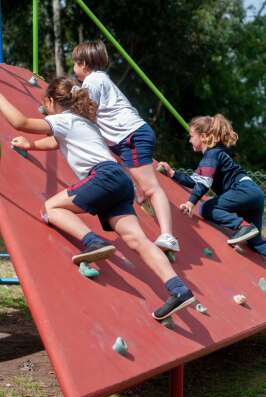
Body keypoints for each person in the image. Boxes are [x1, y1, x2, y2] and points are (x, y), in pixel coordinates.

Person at [0, 77, 195, 320]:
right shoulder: (83, 122)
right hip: (120, 182)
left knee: (51, 207)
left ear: (50, 101)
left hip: (103, 177)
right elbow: (55, 141)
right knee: (138, 240)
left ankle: (94, 241)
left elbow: (19, 121)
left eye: (44, 105)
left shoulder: (63, 119)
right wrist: (30, 146)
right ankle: (178, 289)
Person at [71, 39, 179, 255]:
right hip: (125, 137)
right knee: (134, 178)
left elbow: (85, 113)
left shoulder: (93, 80)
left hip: (131, 135)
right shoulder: (99, 80)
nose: (73, 67)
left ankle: (168, 235)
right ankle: (139, 192)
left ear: (83, 64)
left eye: (75, 63)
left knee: (150, 187)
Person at [157, 114, 266, 256]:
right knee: (256, 242)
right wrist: (172, 173)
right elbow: (195, 181)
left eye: (191, 136)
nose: (190, 140)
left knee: (207, 208)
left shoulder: (211, 155)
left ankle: (243, 226)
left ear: (203, 137)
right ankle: (250, 232)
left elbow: (203, 183)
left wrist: (191, 202)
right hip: (253, 193)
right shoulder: (215, 155)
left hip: (242, 190)